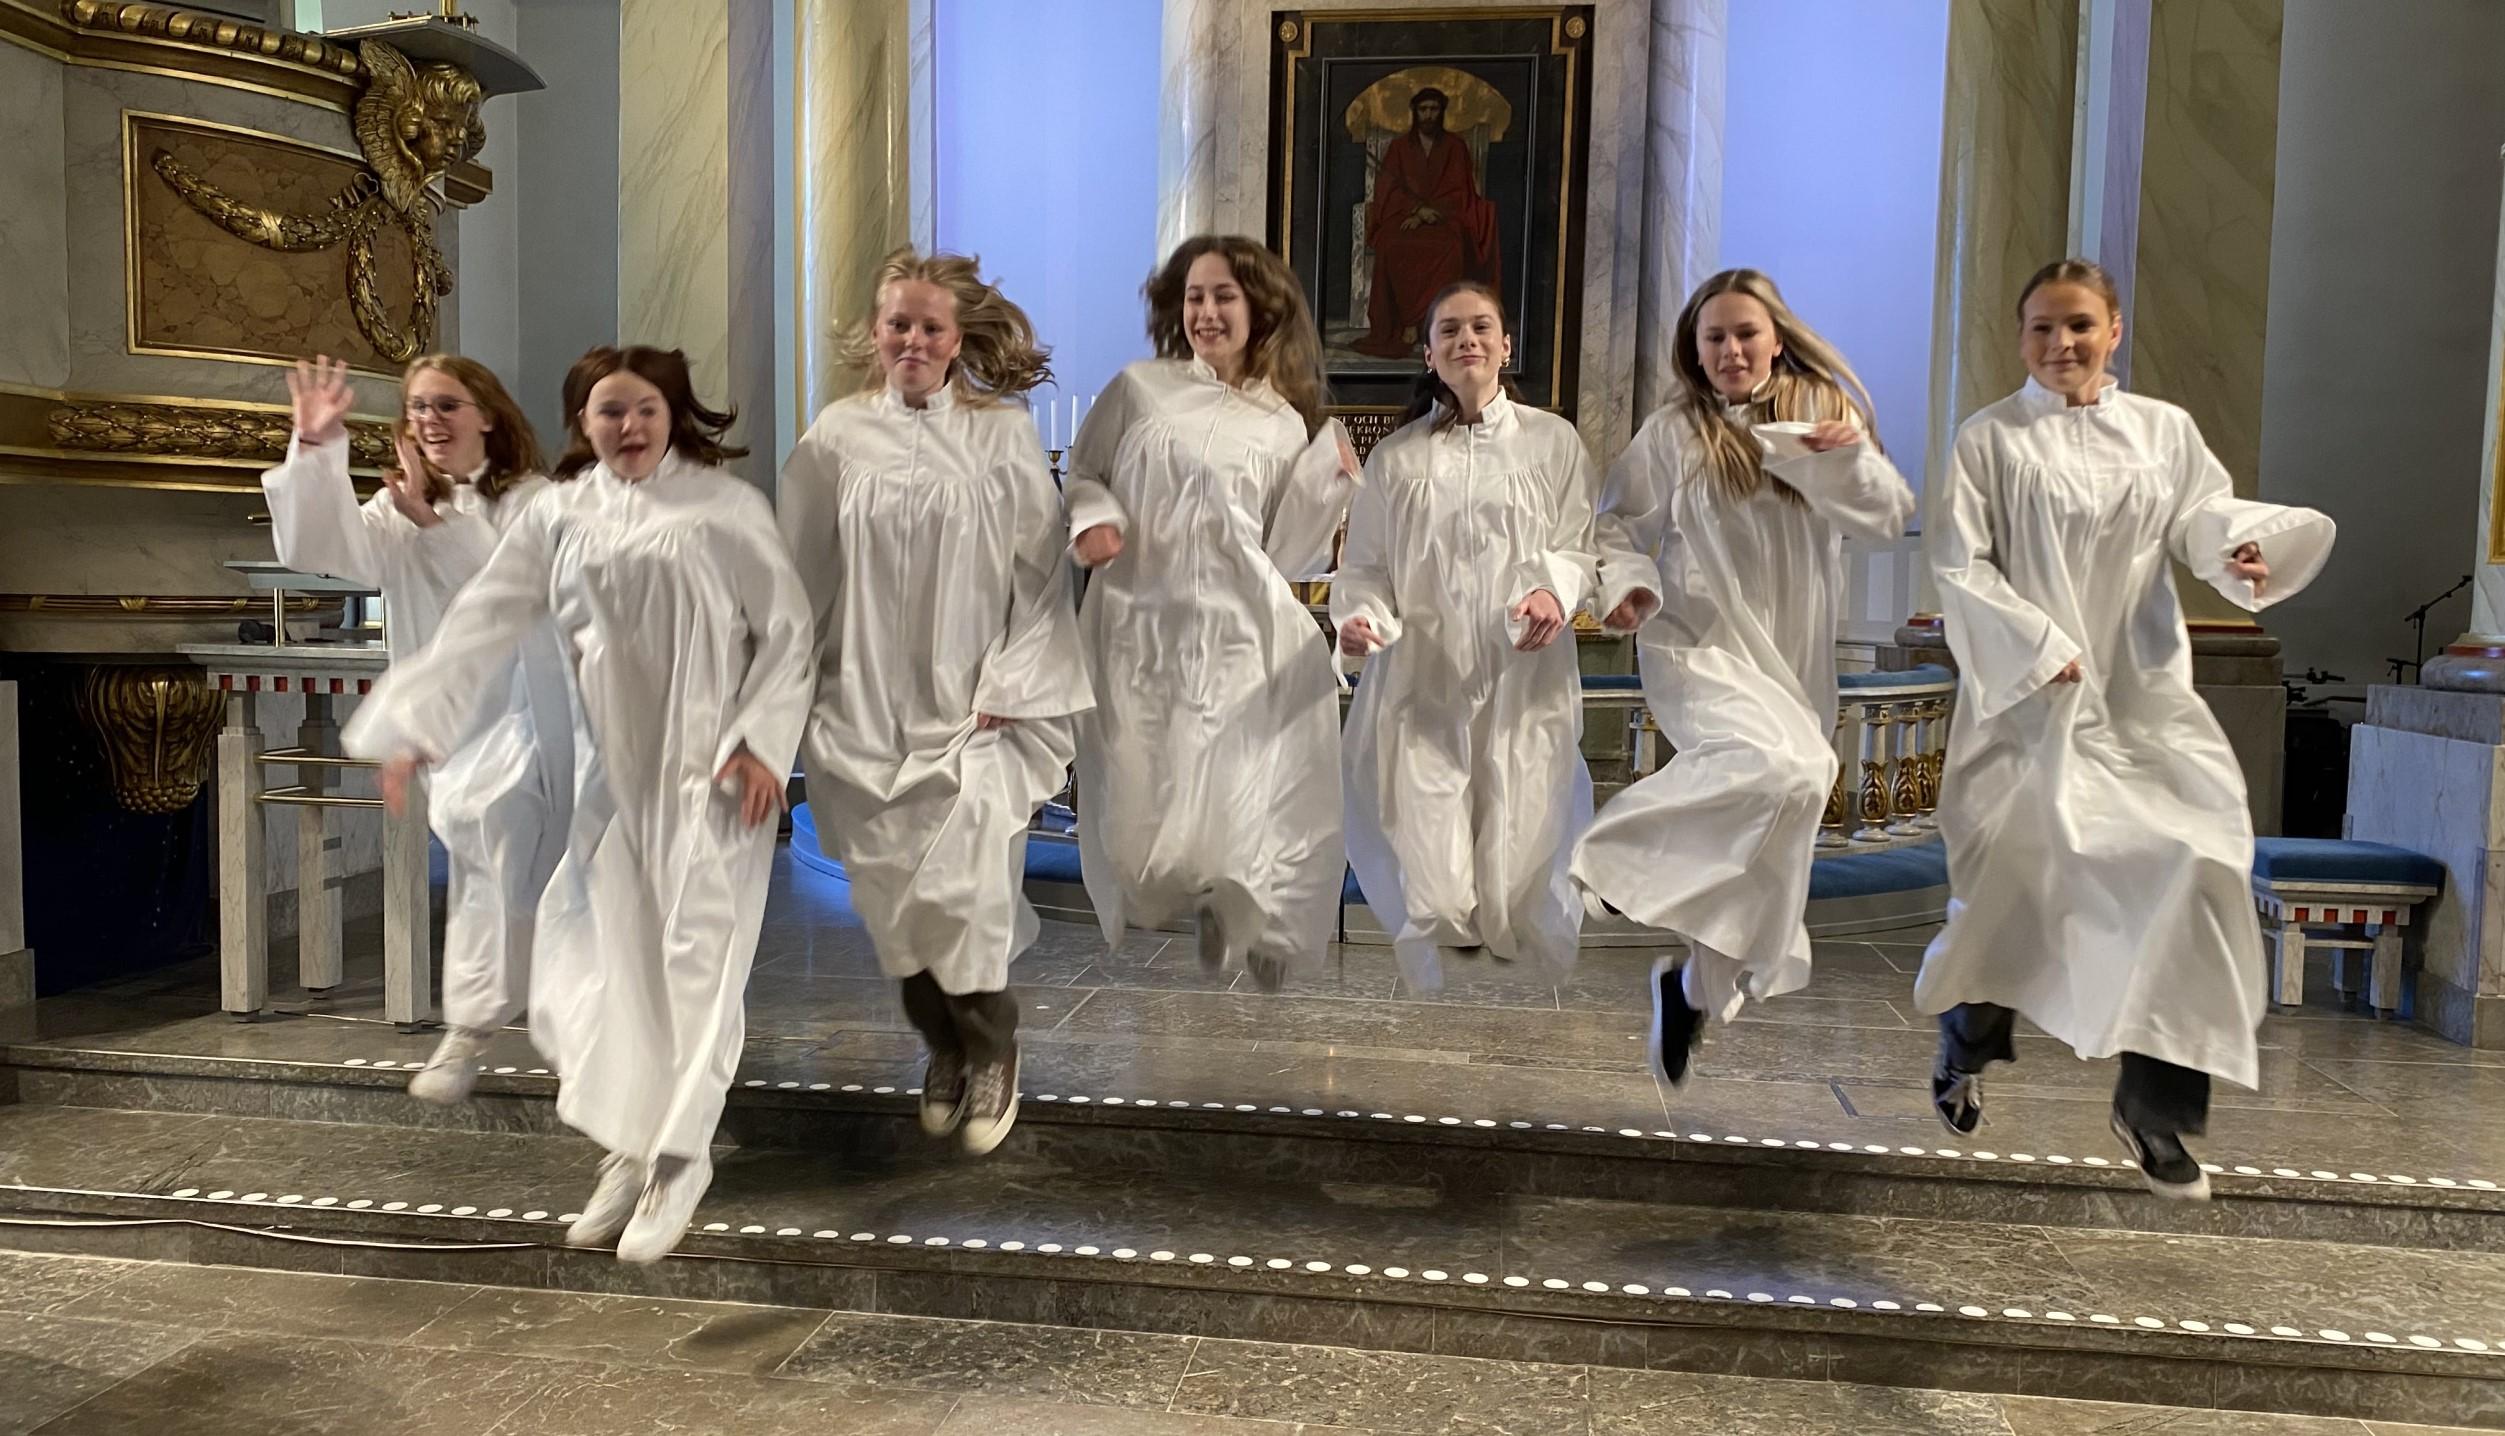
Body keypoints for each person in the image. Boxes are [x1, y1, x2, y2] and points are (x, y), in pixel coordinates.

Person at [346, 345, 812, 1260]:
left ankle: (679, 1160)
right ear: (582, 423)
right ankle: (627, 1148)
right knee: (607, 968)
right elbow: (484, 618)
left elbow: (788, 633)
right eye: (608, 412)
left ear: (672, 415)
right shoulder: (559, 514)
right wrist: (412, 726)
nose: (627, 427)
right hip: (614, 780)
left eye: (644, 410)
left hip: (713, 779)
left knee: (696, 962)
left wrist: (761, 743)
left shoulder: (725, 509)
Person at [1914, 259, 2336, 1198]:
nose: (2060, 343)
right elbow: (1959, 565)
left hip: (2137, 697)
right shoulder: (1989, 438)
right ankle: (1966, 1042)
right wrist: (2035, 645)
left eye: (2078, 325)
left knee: (2197, 863)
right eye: (2040, 327)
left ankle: (2154, 1109)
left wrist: (2240, 550)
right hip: (2028, 706)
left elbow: (2201, 517)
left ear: (2113, 330)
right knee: (2015, 889)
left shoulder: (2162, 431)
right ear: (2019, 337)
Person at [1569, 270, 1916, 1085]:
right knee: (1785, 768)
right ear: (1693, 350)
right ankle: (1608, 858)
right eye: (1714, 337)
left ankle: (1692, 990)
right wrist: (1628, 587)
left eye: (1744, 333)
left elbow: (1885, 516)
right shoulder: (1673, 432)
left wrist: (1847, 462)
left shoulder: (1819, 416)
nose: (1730, 350)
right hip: (1699, 646)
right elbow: (1614, 527)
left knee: (1789, 800)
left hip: (1788, 658)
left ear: (1775, 338)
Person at [779, 249, 1090, 1156]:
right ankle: (942, 1044)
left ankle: (992, 1049)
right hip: (863, 707)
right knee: (896, 908)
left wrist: (1016, 684)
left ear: (957, 340)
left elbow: (1040, 576)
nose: (912, 340)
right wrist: (786, 687)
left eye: (929, 326)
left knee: (965, 891)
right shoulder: (837, 436)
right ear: (875, 334)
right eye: (898, 325)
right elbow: (798, 570)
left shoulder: (1000, 435)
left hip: (971, 707)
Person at [265, 354, 573, 1106]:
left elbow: (515, 596)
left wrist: (433, 528)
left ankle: (487, 1034)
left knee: (516, 855)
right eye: (418, 408)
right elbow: (318, 548)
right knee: (494, 869)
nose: (430, 420)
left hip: (534, 712)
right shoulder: (398, 508)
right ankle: (506, 1029)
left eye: (447, 405)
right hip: (452, 727)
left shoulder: (534, 501)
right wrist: (314, 448)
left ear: (488, 415)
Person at [1066, 234, 1357, 989]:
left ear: (1259, 308)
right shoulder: (1139, 389)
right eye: (1194, 296)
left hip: (1236, 632)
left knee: (1237, 794)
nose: (1206, 312)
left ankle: (1246, 911)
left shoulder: (1281, 421)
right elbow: (1084, 471)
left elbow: (1286, 553)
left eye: (1223, 296)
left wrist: (1329, 487)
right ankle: (1199, 897)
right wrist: (1094, 519)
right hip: (1137, 629)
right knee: (1136, 823)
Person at [1333, 280, 1596, 991]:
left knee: (1520, 870)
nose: (1466, 340)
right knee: (1438, 891)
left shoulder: (1552, 443)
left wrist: (1552, 589)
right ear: (1428, 354)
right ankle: (1442, 1006)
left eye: (1480, 327)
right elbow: (1365, 568)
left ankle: (1507, 1019)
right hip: (1423, 684)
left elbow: (1579, 546)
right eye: (1448, 330)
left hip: (1522, 681)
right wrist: (1359, 619)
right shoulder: (1397, 459)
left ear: (1505, 345)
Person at [1353, 87, 1504, 359]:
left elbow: (1461, 191)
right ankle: (1410, 323)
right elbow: (1387, 190)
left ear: (1442, 112)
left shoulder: (1455, 147)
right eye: (1423, 109)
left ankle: (1438, 323)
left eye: (1434, 109)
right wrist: (1416, 211)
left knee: (1451, 247)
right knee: (1391, 245)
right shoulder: (1399, 148)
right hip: (1404, 218)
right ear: (1415, 112)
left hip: (1446, 220)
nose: (1429, 115)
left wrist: (1435, 212)